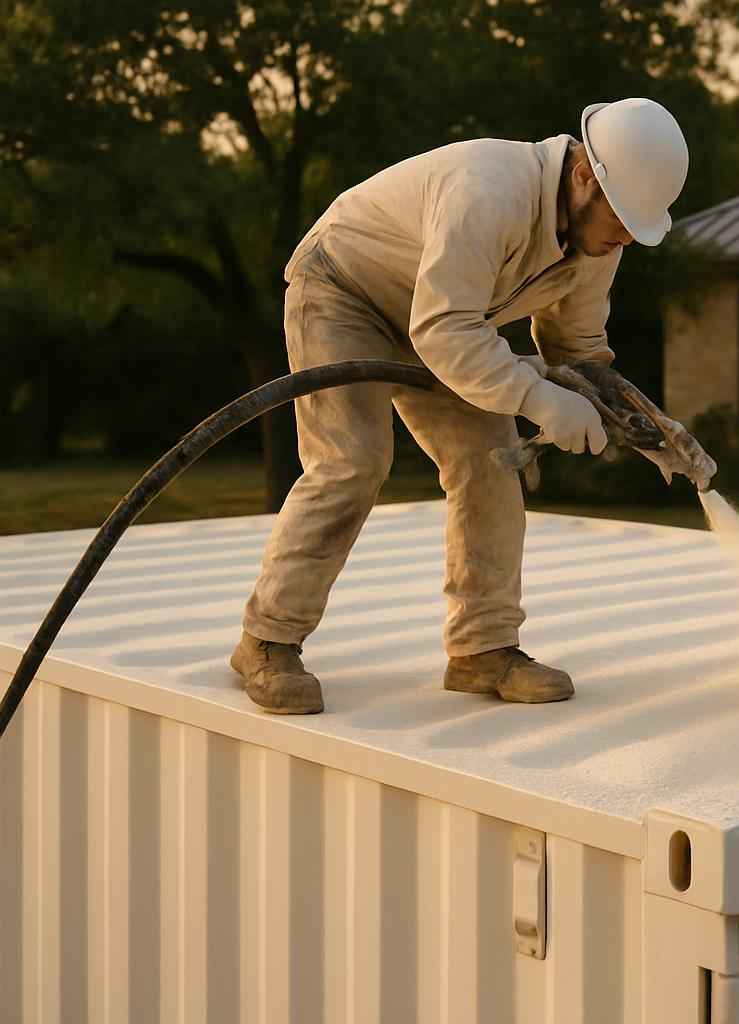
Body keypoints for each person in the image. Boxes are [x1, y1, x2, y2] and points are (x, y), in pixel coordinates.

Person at [230, 98, 689, 714]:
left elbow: (577, 350)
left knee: (491, 460)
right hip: (346, 290)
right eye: (623, 219)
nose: (627, 236)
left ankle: (483, 650)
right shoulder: (489, 190)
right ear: (585, 175)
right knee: (353, 461)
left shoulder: (599, 241)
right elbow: (444, 329)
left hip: (448, 319)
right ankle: (267, 640)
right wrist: (539, 398)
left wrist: (642, 425)